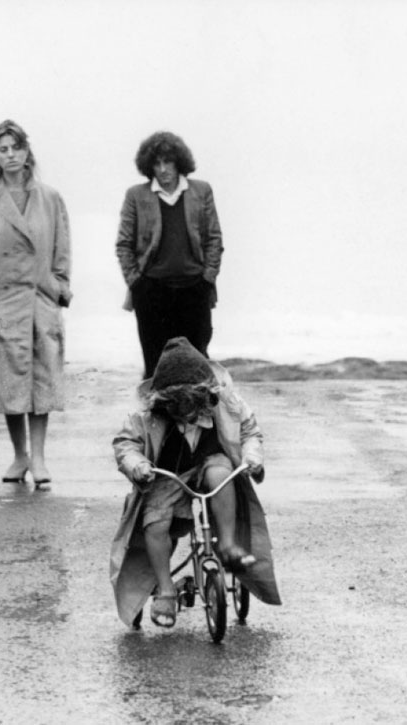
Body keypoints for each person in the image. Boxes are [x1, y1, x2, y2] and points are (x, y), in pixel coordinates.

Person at [110, 337, 281, 628]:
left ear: (205, 395)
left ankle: (227, 545)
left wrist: (252, 457)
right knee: (155, 520)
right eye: (176, 404)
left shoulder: (226, 404)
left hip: (210, 461)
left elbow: (250, 431)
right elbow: (125, 444)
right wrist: (138, 465)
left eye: (191, 402)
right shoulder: (146, 416)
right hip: (168, 473)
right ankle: (164, 589)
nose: (185, 410)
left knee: (220, 473)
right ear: (163, 400)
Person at [0, 119, 72, 487]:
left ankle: (39, 459)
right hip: (0, 304)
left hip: (39, 300)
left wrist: (57, 287)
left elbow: (62, 250)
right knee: (10, 383)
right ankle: (19, 455)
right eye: (2, 149)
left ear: (27, 151)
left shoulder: (50, 198)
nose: (10, 156)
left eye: (16, 148)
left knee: (40, 381)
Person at [115, 131, 223, 378]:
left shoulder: (201, 191)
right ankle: (156, 417)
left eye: (168, 162)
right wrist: (137, 283)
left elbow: (214, 239)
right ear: (149, 165)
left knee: (198, 368)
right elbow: (123, 244)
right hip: (152, 292)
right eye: (157, 163)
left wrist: (207, 279)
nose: (163, 169)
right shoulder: (136, 195)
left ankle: (197, 418)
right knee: (156, 369)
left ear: (179, 162)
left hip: (194, 290)